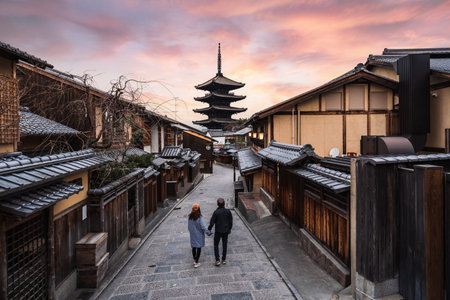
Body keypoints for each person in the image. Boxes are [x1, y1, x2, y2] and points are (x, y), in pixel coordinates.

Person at [208, 198, 233, 266]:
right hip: (225, 231)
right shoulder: (228, 211)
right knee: (224, 245)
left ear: (217, 204)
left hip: (218, 231)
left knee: (216, 245)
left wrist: (209, 229)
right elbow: (230, 221)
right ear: (224, 203)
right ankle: (224, 259)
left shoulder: (216, 212)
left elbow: (212, 222)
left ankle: (217, 260)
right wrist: (229, 229)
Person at [188, 203, 211, 268]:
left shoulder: (190, 216)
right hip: (199, 234)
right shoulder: (200, 217)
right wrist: (208, 232)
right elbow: (203, 227)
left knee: (194, 247)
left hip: (193, 234)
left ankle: (195, 259)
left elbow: (189, 226)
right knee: (199, 247)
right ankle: (196, 262)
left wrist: (191, 232)